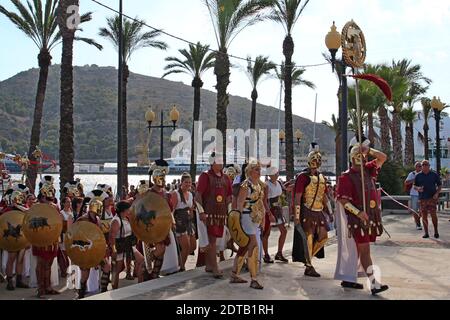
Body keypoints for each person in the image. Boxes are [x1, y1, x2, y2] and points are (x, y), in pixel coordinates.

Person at [335, 143, 389, 295]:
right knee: (365, 251)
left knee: (360, 251)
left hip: (370, 217)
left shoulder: (369, 170)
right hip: (357, 220)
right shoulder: (346, 177)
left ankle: (349, 279)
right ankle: (374, 284)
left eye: (362, 156)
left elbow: (383, 157)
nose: (361, 159)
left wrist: (369, 150)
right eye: (358, 155)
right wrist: (358, 213)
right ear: (352, 158)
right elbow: (343, 200)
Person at [292, 145, 332, 277]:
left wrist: (330, 211)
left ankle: (308, 260)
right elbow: (298, 197)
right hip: (307, 211)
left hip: (319, 211)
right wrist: (297, 216)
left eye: (318, 158)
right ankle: (309, 266)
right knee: (308, 239)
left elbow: (324, 195)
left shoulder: (322, 177)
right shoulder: (303, 177)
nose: (316, 161)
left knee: (323, 237)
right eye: (314, 158)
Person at [195, 152, 232, 278]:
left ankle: (209, 265)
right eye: (218, 160)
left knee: (214, 240)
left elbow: (229, 196)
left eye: (222, 160)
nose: (221, 162)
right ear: (212, 162)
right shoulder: (205, 176)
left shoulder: (226, 178)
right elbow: (198, 195)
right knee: (211, 241)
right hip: (209, 213)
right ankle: (215, 267)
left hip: (221, 214)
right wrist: (201, 211)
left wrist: (230, 213)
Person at [229, 159, 265, 289]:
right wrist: (237, 220)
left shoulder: (258, 185)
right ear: (250, 171)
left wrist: (263, 218)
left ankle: (234, 274)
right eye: (256, 169)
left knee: (244, 247)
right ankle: (254, 279)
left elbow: (260, 203)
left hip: (255, 218)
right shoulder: (245, 185)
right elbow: (239, 203)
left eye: (259, 169)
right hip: (246, 218)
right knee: (253, 245)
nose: (259, 172)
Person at [142, 160, 175, 280]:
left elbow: (169, 211)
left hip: (164, 225)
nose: (164, 180)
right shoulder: (150, 193)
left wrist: (172, 223)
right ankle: (145, 264)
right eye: (162, 178)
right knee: (160, 249)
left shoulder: (166, 194)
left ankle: (154, 274)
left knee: (163, 249)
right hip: (153, 226)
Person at [76, 196, 111, 299]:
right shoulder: (83, 219)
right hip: (85, 250)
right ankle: (81, 294)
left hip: (96, 249)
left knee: (107, 267)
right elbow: (76, 235)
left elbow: (99, 233)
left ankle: (103, 290)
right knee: (85, 274)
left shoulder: (97, 219)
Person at [109, 201, 144, 289]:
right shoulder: (116, 220)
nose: (130, 210)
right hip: (119, 246)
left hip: (128, 244)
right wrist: (114, 250)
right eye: (128, 209)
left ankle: (141, 285)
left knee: (141, 260)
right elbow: (111, 237)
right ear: (124, 210)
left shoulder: (126, 218)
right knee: (117, 270)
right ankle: (115, 289)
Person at [263, 167, 288, 263]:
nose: (277, 174)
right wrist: (269, 214)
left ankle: (279, 253)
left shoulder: (279, 183)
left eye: (277, 173)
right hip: (270, 209)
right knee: (266, 233)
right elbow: (264, 201)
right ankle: (266, 255)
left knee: (284, 231)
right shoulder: (266, 185)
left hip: (278, 209)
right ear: (270, 175)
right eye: (275, 173)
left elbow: (283, 192)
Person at [171, 173, 196, 271]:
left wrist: (192, 216)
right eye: (186, 182)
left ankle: (179, 260)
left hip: (189, 222)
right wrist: (172, 223)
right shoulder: (175, 194)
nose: (188, 184)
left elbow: (191, 208)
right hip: (179, 222)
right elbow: (171, 210)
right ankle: (181, 267)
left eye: (189, 182)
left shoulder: (190, 194)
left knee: (193, 246)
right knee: (186, 246)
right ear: (181, 182)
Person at [414, 160, 442, 239]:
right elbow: (414, 186)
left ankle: (436, 231)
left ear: (429, 166)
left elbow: (439, 185)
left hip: (432, 198)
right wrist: (418, 188)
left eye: (426, 165)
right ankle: (426, 233)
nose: (425, 166)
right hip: (422, 199)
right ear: (421, 166)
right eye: (423, 165)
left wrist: (437, 194)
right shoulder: (418, 176)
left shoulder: (434, 175)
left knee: (433, 215)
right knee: (424, 216)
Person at [58, 197, 73, 278]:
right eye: (67, 202)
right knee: (64, 254)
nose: (69, 203)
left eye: (70, 202)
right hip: (64, 235)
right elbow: (61, 227)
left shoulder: (72, 212)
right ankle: (63, 270)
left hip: (72, 235)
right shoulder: (61, 213)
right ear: (63, 203)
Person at [405, 162, 423, 230]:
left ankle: (418, 219)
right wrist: (415, 178)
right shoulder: (412, 174)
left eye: (420, 166)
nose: (420, 167)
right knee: (414, 210)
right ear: (415, 167)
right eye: (418, 166)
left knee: (422, 210)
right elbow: (406, 182)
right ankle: (418, 224)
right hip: (414, 194)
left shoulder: (424, 174)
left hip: (422, 194)